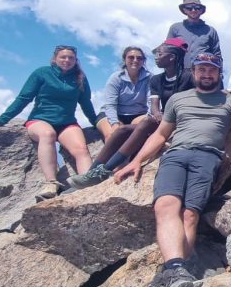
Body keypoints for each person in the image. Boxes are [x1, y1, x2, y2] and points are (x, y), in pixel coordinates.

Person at [115, 53, 231, 287]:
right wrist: (136, 161)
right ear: (194, 72)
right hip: (175, 154)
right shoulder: (178, 99)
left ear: (219, 73)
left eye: (211, 70)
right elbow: (160, 134)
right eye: (202, 70)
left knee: (190, 214)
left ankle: (167, 278)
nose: (206, 74)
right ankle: (176, 272)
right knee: (166, 205)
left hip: (208, 156)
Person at [65, 40, 194, 191]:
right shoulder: (157, 79)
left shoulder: (188, 76)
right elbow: (153, 105)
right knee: (122, 130)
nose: (156, 58)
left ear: (172, 57)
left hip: (182, 119)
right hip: (164, 118)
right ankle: (92, 174)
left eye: (159, 54)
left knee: (145, 123)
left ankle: (106, 170)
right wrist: (157, 115)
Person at [0, 45, 97, 201]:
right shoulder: (42, 73)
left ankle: (87, 184)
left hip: (67, 122)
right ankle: (51, 183)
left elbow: (86, 103)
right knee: (47, 135)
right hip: (40, 119)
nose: (67, 60)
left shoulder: (79, 78)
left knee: (81, 149)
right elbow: (24, 98)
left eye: (71, 58)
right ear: (55, 59)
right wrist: (2, 120)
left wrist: (96, 123)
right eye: (63, 57)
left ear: (76, 61)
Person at [95, 46, 152, 142]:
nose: (135, 60)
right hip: (113, 114)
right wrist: (115, 123)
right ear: (124, 59)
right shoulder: (116, 78)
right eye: (131, 57)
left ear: (143, 61)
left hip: (138, 114)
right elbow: (110, 104)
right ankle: (110, 157)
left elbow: (152, 101)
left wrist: (149, 119)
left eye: (139, 58)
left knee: (142, 135)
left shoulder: (149, 78)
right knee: (113, 136)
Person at [167, 0, 222, 70]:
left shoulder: (211, 31)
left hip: (202, 75)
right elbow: (167, 52)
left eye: (197, 7)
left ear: (201, 10)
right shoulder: (175, 28)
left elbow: (217, 55)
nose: (193, 10)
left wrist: (219, 75)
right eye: (189, 8)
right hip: (179, 74)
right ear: (184, 10)